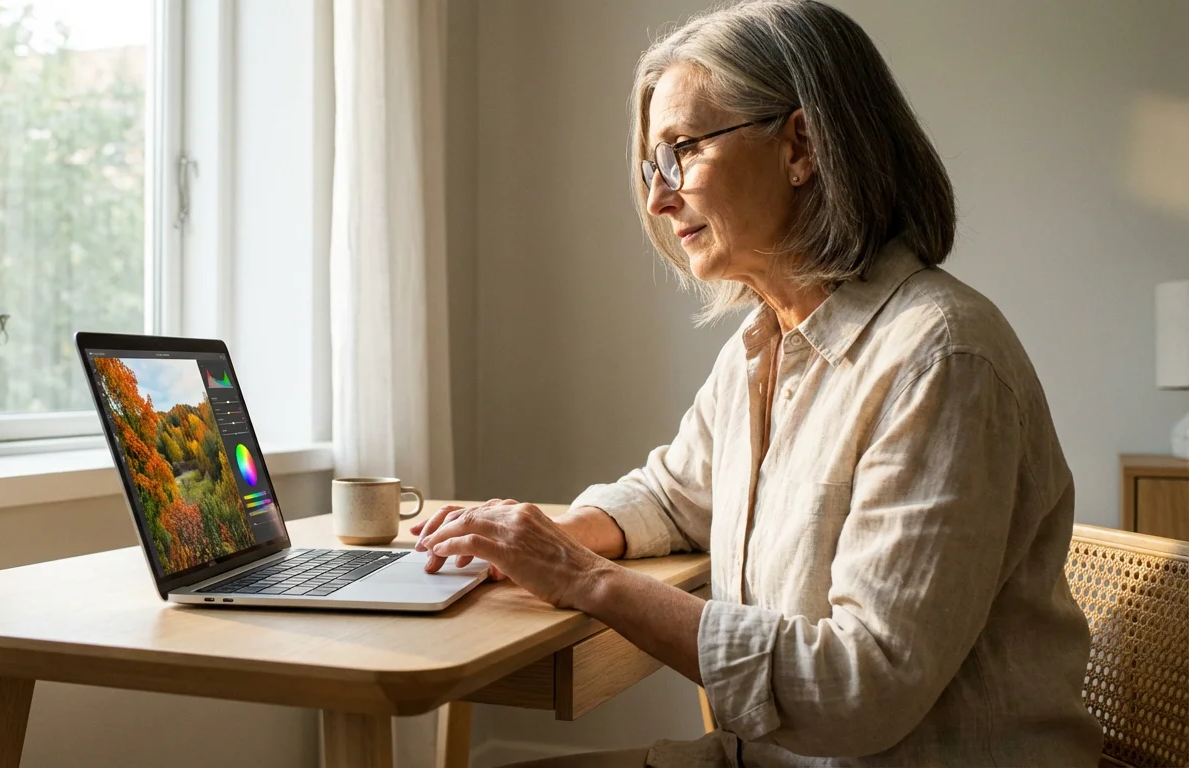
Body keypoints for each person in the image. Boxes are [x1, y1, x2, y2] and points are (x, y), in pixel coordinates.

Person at [412, 0, 1105, 765]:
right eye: (653, 164)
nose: (657, 196)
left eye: (682, 150)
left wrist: (583, 578)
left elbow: (859, 689)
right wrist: (558, 536)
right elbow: (676, 494)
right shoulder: (763, 344)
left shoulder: (941, 359)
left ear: (801, 145)